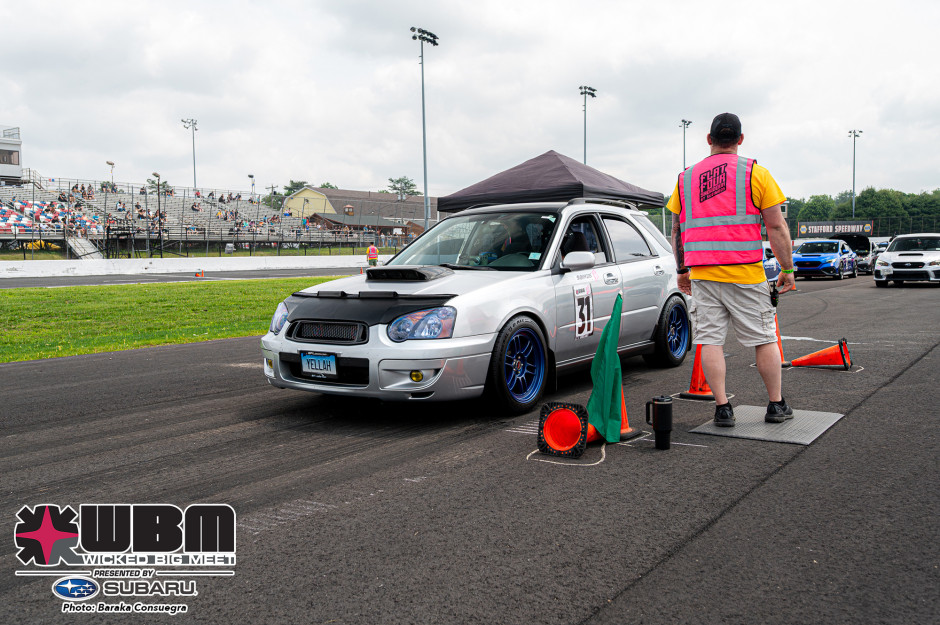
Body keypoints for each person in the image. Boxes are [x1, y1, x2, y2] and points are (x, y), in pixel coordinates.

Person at [668, 113, 796, 427]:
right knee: (764, 339)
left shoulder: (685, 178)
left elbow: (677, 229)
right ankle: (775, 405)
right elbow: (776, 226)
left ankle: (723, 408)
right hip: (746, 272)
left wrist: (682, 270)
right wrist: (787, 268)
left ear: (709, 139)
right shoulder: (755, 173)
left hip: (703, 275)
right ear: (740, 139)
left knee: (710, 341)